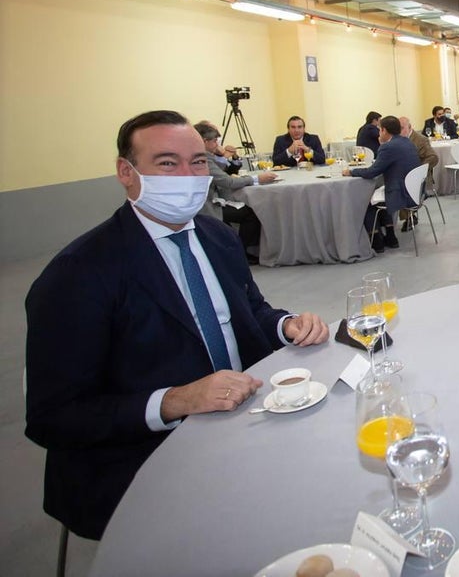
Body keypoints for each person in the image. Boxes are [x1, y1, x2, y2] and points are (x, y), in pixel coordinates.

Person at [24, 110, 329, 540]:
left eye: (199, 162)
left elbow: (250, 312)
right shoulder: (80, 274)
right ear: (126, 173)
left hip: (243, 421)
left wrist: (286, 326)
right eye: (167, 163)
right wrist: (173, 401)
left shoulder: (216, 237)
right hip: (144, 455)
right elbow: (53, 417)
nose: (188, 176)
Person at [193, 121, 274, 263]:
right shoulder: (203, 159)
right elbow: (227, 181)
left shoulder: (206, 156)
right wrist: (256, 178)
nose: (217, 144)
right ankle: (241, 253)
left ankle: (241, 251)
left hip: (214, 200)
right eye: (215, 141)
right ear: (205, 141)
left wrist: (228, 157)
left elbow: (222, 172)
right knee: (249, 213)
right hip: (207, 207)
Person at [344, 115, 420, 250]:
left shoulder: (388, 147)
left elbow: (372, 172)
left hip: (400, 192)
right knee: (378, 196)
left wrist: (351, 172)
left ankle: (376, 240)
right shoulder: (407, 142)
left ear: (384, 130)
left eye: (380, 130)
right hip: (414, 190)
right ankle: (390, 235)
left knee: (365, 199)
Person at [399, 116, 439, 189]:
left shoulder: (421, 140)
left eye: (401, 128)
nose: (398, 131)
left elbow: (433, 157)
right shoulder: (399, 139)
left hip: (417, 177)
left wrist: (417, 169)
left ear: (409, 127)